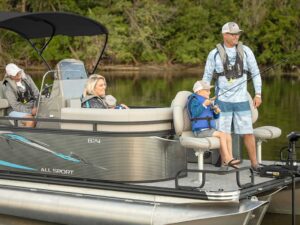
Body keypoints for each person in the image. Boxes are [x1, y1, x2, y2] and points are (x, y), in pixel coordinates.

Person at [202, 22, 262, 171]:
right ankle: (224, 164)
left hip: (242, 101)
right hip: (222, 101)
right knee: (224, 133)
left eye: (238, 34)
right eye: (233, 34)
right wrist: (204, 97)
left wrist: (258, 94)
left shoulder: (246, 51)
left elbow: (255, 72)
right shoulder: (214, 54)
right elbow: (206, 77)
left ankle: (255, 164)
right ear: (224, 35)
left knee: (248, 132)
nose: (236, 36)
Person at [187, 80, 240, 168]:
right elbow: (194, 113)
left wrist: (216, 111)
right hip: (200, 131)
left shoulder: (207, 101)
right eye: (207, 90)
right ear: (199, 91)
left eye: (209, 90)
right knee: (222, 135)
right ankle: (227, 159)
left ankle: (229, 159)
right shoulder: (194, 100)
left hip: (209, 129)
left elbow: (215, 117)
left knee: (227, 135)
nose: (209, 92)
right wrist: (204, 104)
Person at [2, 63, 39, 127]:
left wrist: (35, 106)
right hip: (14, 110)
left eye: (18, 72)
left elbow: (37, 94)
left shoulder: (27, 79)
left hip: (32, 107)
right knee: (31, 121)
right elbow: (15, 105)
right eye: (15, 74)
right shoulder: (7, 86)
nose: (18, 75)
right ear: (10, 76)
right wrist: (31, 111)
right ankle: (28, 136)